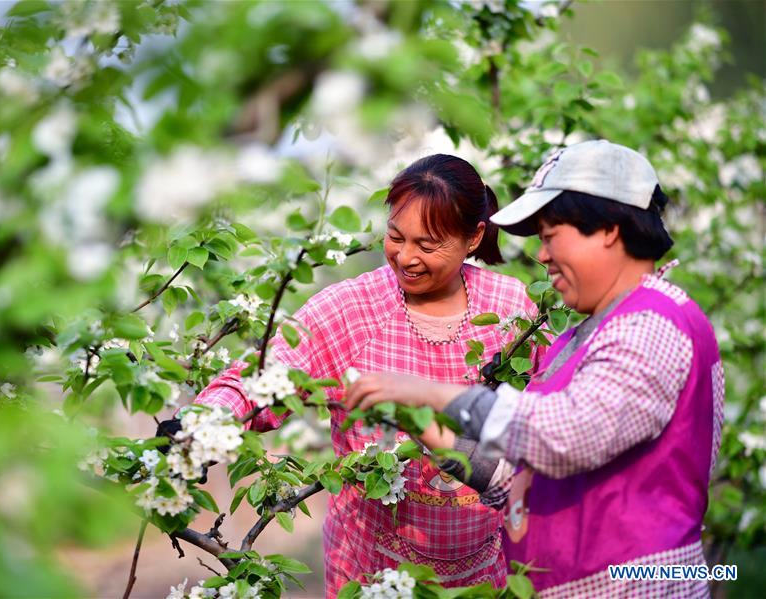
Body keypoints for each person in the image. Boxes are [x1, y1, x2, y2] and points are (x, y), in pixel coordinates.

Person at [346, 140, 725, 598]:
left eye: (549, 236)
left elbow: (565, 436)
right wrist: (416, 420)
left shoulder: (650, 325)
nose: (542, 256)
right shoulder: (585, 336)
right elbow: (523, 469)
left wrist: (433, 394)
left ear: (607, 229)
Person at [193, 155, 543, 596]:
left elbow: (550, 410)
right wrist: (199, 427)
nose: (407, 257)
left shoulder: (514, 310)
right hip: (371, 571)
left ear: (473, 237)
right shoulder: (351, 310)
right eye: (396, 237)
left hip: (485, 571)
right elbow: (259, 377)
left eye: (428, 245)